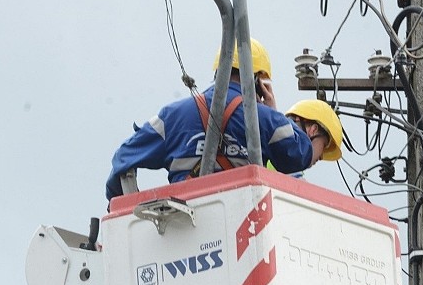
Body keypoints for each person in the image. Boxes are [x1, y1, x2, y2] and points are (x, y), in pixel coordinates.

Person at [105, 39, 313, 201]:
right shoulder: (264, 119)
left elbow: (123, 158)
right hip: (243, 230)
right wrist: (272, 111)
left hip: (182, 232)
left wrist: (129, 215)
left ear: (217, 70)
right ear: (259, 81)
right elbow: (300, 155)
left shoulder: (172, 116)